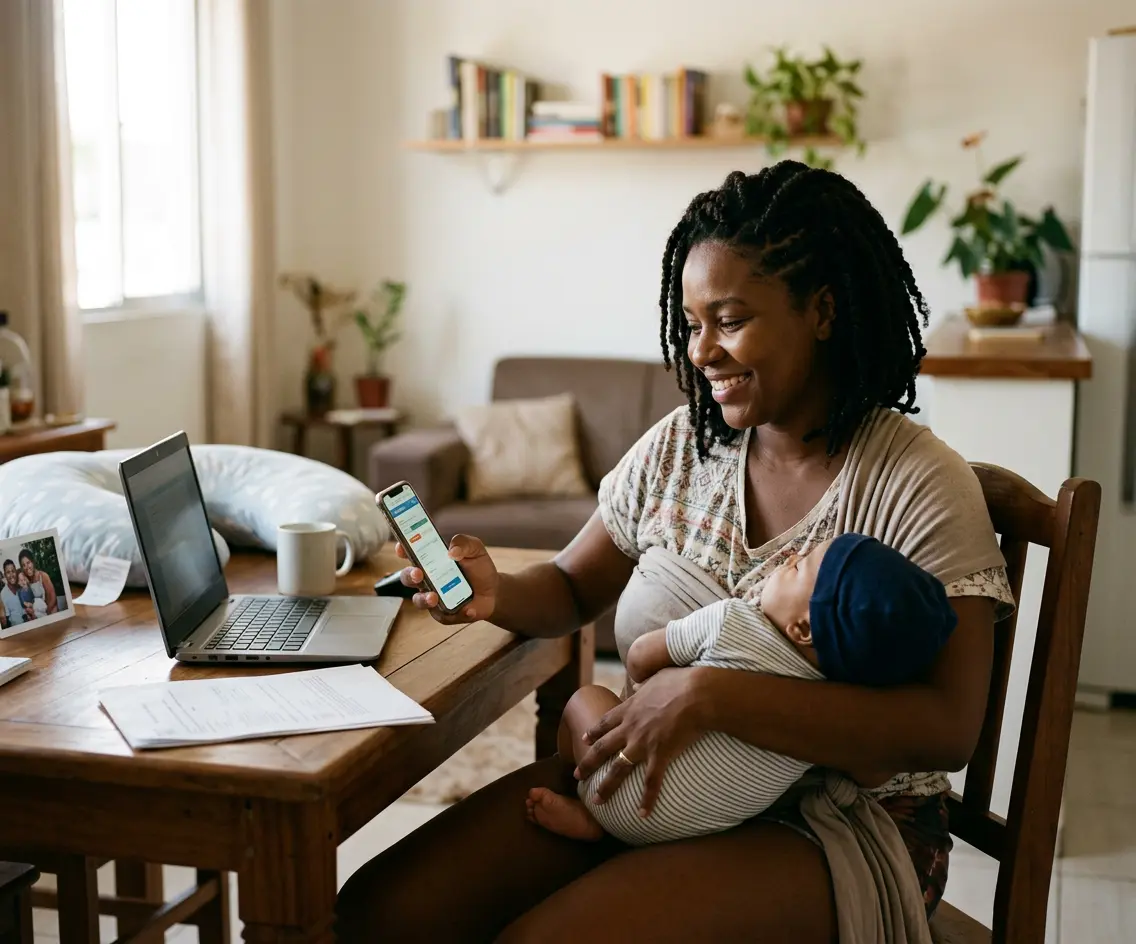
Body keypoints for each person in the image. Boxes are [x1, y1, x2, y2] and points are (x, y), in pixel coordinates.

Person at [336, 162, 1015, 943]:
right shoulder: (682, 449)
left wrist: (706, 696)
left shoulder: (916, 484)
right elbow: (566, 587)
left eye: (729, 320)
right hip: (655, 778)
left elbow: (946, 728)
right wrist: (489, 593)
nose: (702, 352)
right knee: (382, 914)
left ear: (822, 311)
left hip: (836, 822)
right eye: (692, 324)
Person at [526, 534, 958, 846]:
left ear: (802, 628)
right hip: (696, 829)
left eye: (796, 567)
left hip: (624, 793)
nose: (789, 555)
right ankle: (606, 823)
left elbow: (639, 657)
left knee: (584, 700)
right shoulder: (829, 707)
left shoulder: (734, 622)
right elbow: (874, 771)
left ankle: (587, 800)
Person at [19, 549, 58, 615]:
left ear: (33, 562)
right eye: (23, 565)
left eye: (28, 563)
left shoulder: (43, 576)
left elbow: (53, 598)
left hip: (49, 609)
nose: (26, 567)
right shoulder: (25, 581)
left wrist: (47, 613)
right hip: (37, 613)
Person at [1, 560, 25, 628]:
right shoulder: (3, 595)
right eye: (8, 572)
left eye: (13, 571)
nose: (11, 575)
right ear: (5, 575)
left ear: (16, 572)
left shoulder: (22, 586)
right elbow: (6, 621)